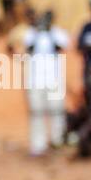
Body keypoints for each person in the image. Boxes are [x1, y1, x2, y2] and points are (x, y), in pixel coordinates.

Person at [23, 10, 70, 156]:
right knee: (36, 113)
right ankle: (38, 144)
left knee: (57, 112)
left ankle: (57, 141)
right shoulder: (30, 33)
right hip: (35, 81)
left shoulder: (59, 33)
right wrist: (38, 32)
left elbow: (60, 48)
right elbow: (29, 48)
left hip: (55, 80)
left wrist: (49, 32)